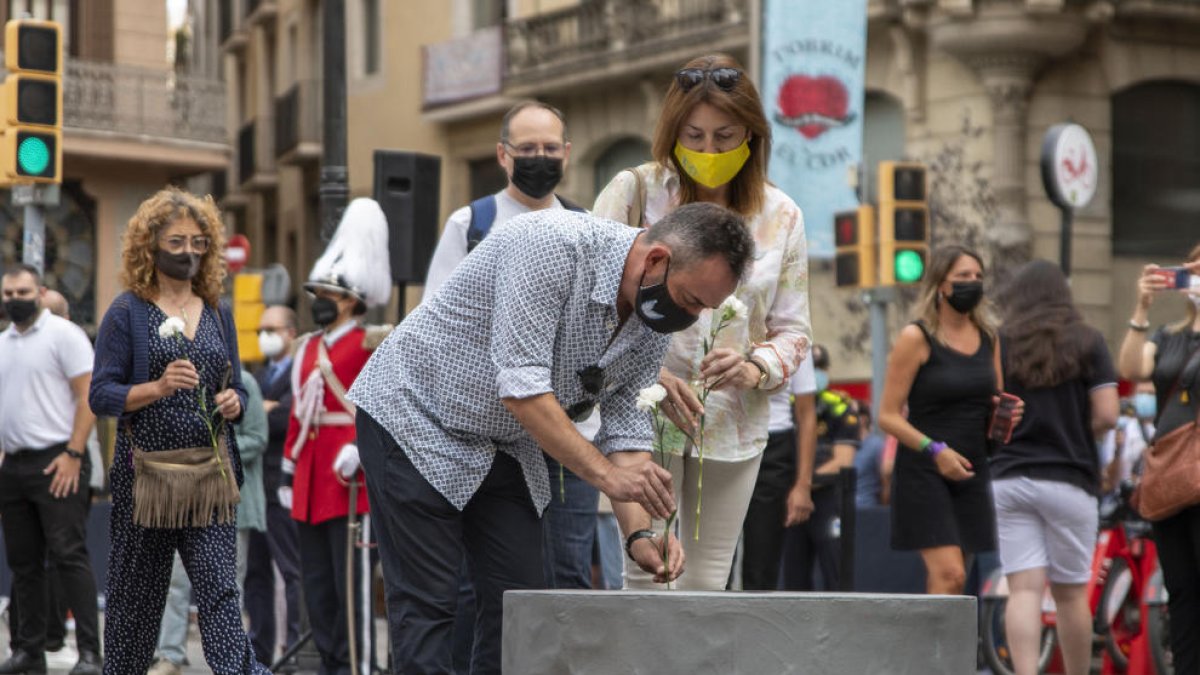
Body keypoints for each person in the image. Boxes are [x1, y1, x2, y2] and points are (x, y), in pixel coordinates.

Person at [349, 202, 754, 674]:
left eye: (704, 308)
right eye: (690, 300)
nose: (691, 317)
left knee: (521, 606)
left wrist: (641, 534)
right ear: (657, 259)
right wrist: (605, 476)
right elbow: (522, 391)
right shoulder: (549, 243)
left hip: (505, 443)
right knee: (430, 607)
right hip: (416, 417)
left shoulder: (653, 313)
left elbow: (626, 421)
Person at [592, 53, 810, 591]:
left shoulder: (783, 215)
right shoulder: (635, 191)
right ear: (672, 133)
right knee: (646, 579)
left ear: (752, 136)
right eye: (694, 136)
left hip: (733, 427)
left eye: (724, 136)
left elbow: (795, 331)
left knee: (707, 586)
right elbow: (589, 302)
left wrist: (755, 365)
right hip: (639, 418)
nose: (709, 151)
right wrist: (649, 377)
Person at [422, 101, 593, 670]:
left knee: (568, 571)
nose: (540, 159)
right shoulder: (470, 224)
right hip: (488, 440)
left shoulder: (585, 229)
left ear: (567, 154)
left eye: (550, 149)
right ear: (503, 155)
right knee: (485, 583)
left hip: (565, 432)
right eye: (528, 149)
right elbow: (435, 326)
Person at [88, 187, 267, 674]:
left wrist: (235, 401)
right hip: (147, 480)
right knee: (135, 605)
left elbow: (236, 387)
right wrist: (158, 387)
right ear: (150, 245)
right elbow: (101, 395)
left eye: (198, 242)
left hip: (209, 478)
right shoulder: (127, 313)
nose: (189, 251)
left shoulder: (216, 311)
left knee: (220, 595)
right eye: (176, 241)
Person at [279, 198, 391, 675]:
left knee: (353, 595)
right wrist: (288, 469)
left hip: (350, 484)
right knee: (319, 593)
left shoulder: (372, 341)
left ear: (350, 297)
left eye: (326, 292)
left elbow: (385, 408)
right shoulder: (307, 347)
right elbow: (299, 416)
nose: (318, 299)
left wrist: (362, 451)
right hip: (309, 481)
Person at [989, 260, 1118, 675]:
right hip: (1069, 478)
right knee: (1069, 593)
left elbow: (989, 409)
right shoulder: (1089, 341)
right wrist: (1080, 432)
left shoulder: (1001, 342)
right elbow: (1108, 415)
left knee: (1023, 589)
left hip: (1009, 477)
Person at [878, 244, 1009, 595]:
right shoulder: (917, 338)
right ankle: (933, 652)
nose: (973, 282)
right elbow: (887, 417)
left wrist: (1005, 417)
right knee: (949, 573)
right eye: (963, 276)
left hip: (972, 467)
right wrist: (935, 450)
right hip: (926, 468)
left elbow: (992, 404)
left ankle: (940, 648)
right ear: (941, 285)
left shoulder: (989, 338)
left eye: (978, 276)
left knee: (958, 581)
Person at [0, 265, 102, 675]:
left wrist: (74, 454)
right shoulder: (3, 343)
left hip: (58, 459)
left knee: (69, 556)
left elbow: (88, 395)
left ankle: (91, 654)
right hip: (15, 464)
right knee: (23, 563)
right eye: (7, 293)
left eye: (22, 291)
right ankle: (29, 650)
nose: (14, 299)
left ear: (40, 291)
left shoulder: (65, 335)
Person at [147, 367, 268, 675]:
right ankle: (170, 656)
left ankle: (229, 660)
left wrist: (213, 453)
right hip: (184, 500)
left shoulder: (245, 382)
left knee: (227, 587)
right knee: (174, 581)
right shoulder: (178, 377)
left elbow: (257, 438)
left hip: (232, 502)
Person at [1116, 249, 1200, 673]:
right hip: (1171, 479)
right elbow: (1131, 366)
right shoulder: (1170, 336)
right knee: (1181, 590)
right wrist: (1142, 306)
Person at [245, 305, 303, 671]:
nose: (265, 335)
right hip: (256, 490)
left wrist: (268, 411)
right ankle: (260, 649)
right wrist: (266, 409)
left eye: (272, 328)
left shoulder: (301, 372)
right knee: (256, 574)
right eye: (261, 328)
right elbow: (259, 416)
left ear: (291, 333)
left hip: (283, 486)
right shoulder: (260, 374)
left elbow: (291, 416)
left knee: (291, 569)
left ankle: (296, 646)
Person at [778, 344, 860, 591]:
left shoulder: (839, 407)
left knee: (837, 574)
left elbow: (842, 462)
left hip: (828, 498)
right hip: (791, 500)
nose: (816, 375)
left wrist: (802, 483)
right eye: (812, 369)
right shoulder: (786, 408)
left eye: (821, 369)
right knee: (793, 577)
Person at [740, 357, 817, 591]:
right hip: (722, 439)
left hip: (774, 446)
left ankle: (757, 626)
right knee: (712, 560)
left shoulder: (792, 329)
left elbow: (807, 415)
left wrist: (803, 485)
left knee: (762, 562)